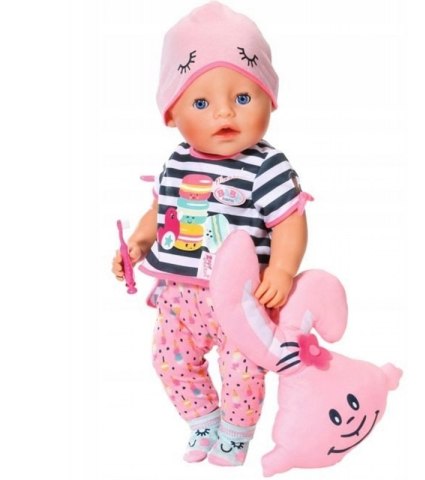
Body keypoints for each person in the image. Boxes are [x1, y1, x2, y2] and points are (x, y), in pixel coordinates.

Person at [112, 2, 311, 467]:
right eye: (201, 103)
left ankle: (236, 434)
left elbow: (289, 220)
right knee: (170, 361)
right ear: (172, 114)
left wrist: (282, 270)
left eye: (242, 98)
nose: (224, 112)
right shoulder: (176, 162)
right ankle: (203, 421)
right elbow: (159, 212)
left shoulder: (266, 165)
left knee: (243, 369)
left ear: (269, 100)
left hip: (239, 298)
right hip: (178, 296)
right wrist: (138, 244)